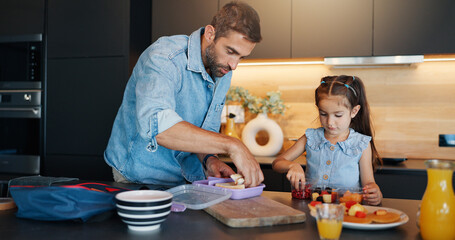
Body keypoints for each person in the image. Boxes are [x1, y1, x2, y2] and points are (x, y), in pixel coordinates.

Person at [104, 2, 264, 187]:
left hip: (183, 180)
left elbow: (202, 132)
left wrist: (209, 161)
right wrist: (233, 145)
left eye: (241, 57)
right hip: (139, 177)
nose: (234, 65)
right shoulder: (164, 57)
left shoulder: (221, 69)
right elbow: (159, 127)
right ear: (211, 34)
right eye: (230, 51)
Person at [272, 75, 383, 205]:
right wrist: (292, 165)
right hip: (312, 209)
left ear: (354, 111)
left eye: (338, 115)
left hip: (346, 212)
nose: (330, 122)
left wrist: (375, 192)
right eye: (323, 114)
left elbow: (369, 183)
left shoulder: (361, 144)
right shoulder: (310, 137)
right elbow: (277, 163)